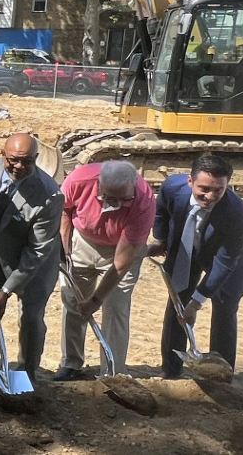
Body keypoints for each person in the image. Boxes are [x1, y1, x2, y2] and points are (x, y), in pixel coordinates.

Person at [0, 134, 62, 381]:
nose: (19, 167)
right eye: (13, 160)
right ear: (3, 155)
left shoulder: (49, 194)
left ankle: (26, 372)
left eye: (27, 161)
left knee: (30, 317)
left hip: (33, 264)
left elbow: (37, 250)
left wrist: (6, 291)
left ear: (36, 159)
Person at [150, 154, 243, 378]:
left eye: (218, 190)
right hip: (187, 248)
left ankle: (221, 373)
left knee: (225, 307)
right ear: (190, 181)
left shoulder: (237, 214)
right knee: (178, 301)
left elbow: (225, 262)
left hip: (228, 256)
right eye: (204, 189)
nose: (210, 196)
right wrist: (160, 239)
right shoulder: (172, 187)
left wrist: (197, 302)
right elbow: (160, 210)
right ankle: (171, 369)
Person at [55, 160, 154, 380]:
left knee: (116, 306)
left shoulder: (143, 201)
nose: (117, 204)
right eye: (110, 198)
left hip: (121, 247)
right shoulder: (80, 179)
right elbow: (63, 207)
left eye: (124, 198)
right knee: (73, 302)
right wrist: (64, 241)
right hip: (84, 241)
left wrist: (96, 300)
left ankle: (112, 371)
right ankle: (71, 364)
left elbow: (121, 263)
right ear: (99, 185)